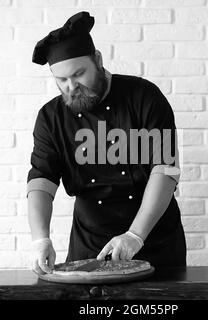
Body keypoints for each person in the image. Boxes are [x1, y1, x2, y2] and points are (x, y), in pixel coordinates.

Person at [27, 11, 186, 275]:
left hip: (154, 238)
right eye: (61, 80)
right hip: (90, 242)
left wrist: (135, 235)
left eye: (78, 74)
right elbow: (41, 180)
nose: (71, 86)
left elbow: (166, 170)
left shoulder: (144, 97)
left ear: (98, 60)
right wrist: (40, 239)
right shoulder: (50, 117)